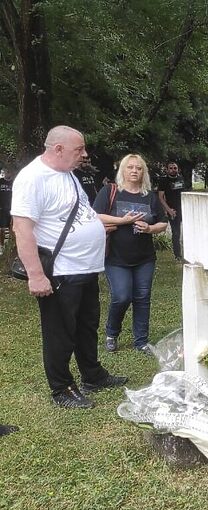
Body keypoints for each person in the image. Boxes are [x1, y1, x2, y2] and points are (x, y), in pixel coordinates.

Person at [11, 125, 127, 408]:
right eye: (79, 149)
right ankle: (61, 388)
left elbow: (81, 214)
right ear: (58, 149)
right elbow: (22, 229)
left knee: (87, 325)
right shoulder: (32, 178)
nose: (84, 155)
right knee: (60, 332)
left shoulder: (68, 175)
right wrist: (36, 275)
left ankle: (92, 374)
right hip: (61, 271)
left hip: (85, 267)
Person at [94, 153, 168, 354]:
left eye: (139, 168)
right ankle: (111, 333)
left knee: (142, 297)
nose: (134, 171)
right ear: (123, 170)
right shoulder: (110, 191)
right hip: (115, 258)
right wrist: (122, 221)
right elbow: (96, 216)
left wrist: (150, 229)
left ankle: (141, 341)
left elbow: (162, 222)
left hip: (144, 258)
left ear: (143, 172)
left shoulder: (149, 196)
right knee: (121, 296)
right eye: (130, 167)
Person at [157, 161, 185, 261]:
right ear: (167, 169)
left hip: (183, 209)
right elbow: (160, 197)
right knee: (176, 233)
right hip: (172, 210)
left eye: (175, 168)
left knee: (186, 232)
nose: (173, 170)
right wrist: (168, 210)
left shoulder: (181, 178)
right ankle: (178, 255)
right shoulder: (163, 180)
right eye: (171, 168)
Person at [0, 168, 12, 248]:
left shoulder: (15, 181)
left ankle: (10, 247)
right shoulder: (0, 181)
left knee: (13, 228)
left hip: (13, 208)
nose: (7, 173)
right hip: (2, 208)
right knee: (2, 229)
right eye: (6, 171)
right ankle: (2, 245)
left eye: (9, 171)